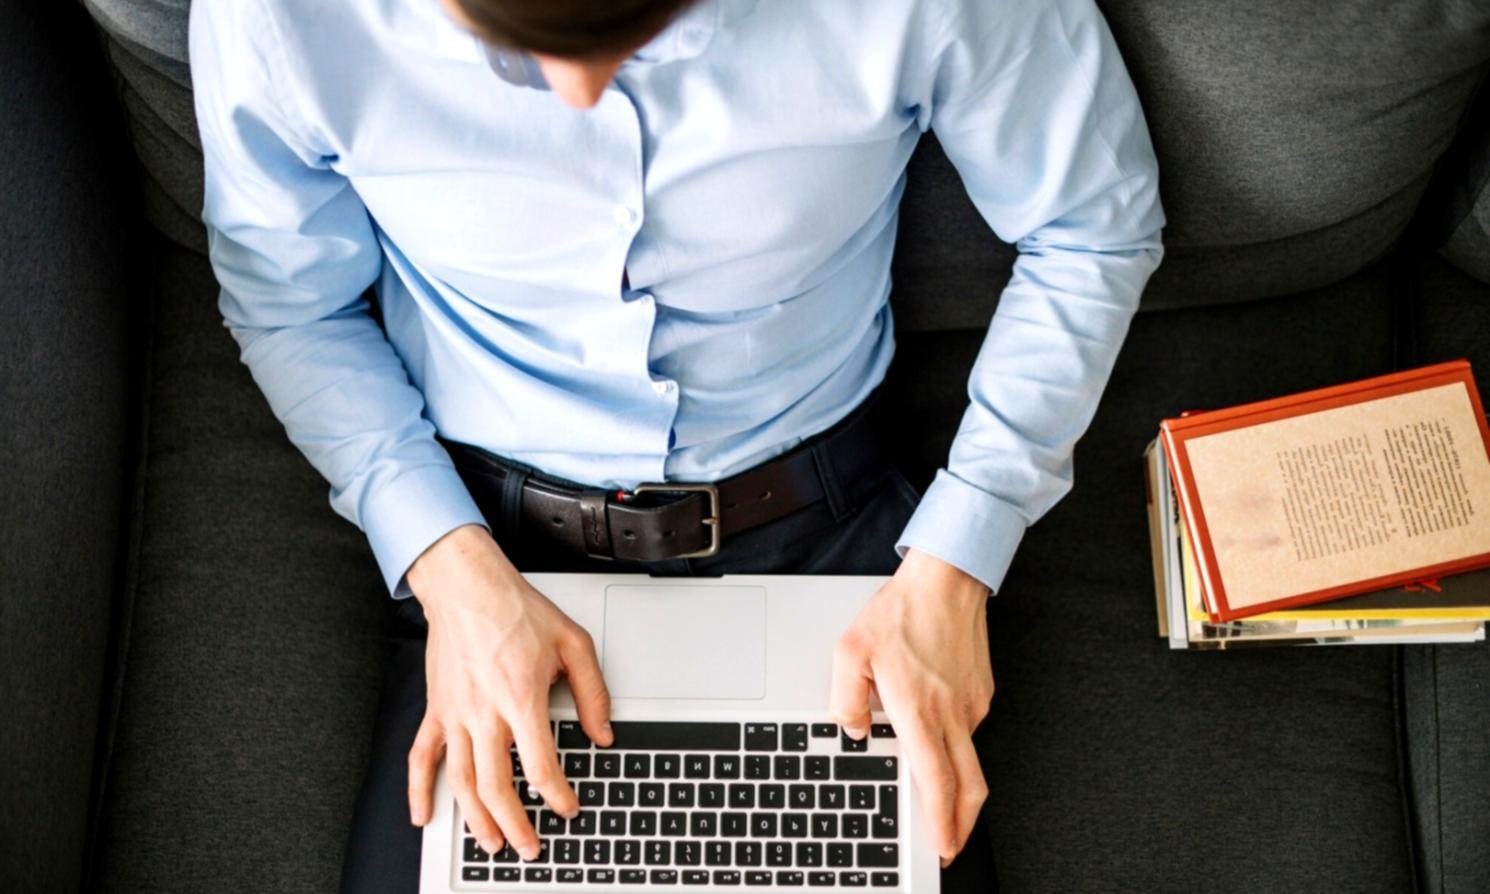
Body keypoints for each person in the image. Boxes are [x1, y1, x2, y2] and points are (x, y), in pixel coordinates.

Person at [187, 0, 1165, 889]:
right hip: (482, 547)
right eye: (512, 54)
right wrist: (446, 569)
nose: (580, 93)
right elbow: (291, 301)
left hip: (828, 529)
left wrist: (957, 558)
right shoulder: (280, 18)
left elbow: (1091, 228)